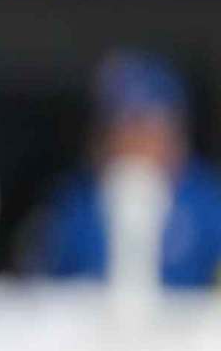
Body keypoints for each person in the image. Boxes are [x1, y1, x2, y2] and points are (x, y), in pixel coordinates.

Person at [26, 51, 221, 288]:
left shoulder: (209, 202)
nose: (136, 142)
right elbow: (40, 290)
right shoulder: (74, 205)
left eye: (148, 128)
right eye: (123, 128)